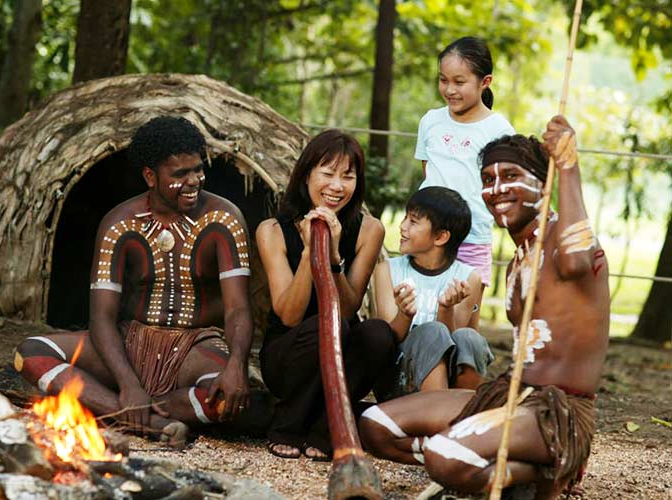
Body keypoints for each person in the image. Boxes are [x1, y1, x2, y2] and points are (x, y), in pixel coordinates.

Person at [359, 116, 609, 498]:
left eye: (510, 175)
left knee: (444, 455)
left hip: (558, 413)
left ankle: (543, 469)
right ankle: (507, 468)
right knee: (376, 424)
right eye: (488, 180)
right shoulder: (516, 261)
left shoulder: (565, 243)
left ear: (544, 185)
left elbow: (577, 261)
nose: (497, 189)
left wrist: (568, 165)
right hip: (510, 396)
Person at [14, 116, 261, 445]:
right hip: (130, 342)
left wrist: (236, 365)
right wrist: (128, 382)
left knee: (237, 401)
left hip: (195, 349)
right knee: (30, 353)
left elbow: (237, 309)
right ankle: (146, 420)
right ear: (150, 176)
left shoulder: (223, 220)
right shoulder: (119, 224)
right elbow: (101, 318)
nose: (194, 181)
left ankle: (128, 409)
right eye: (180, 174)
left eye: (198, 170)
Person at [257, 129, 396, 460]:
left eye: (347, 177)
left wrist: (333, 258)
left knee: (377, 333)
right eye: (328, 173)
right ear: (307, 174)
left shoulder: (369, 229)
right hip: (289, 355)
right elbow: (289, 314)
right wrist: (309, 253)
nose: (337, 186)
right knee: (326, 325)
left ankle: (324, 429)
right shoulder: (272, 231)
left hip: (341, 347)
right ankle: (287, 425)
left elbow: (347, 309)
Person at [415, 36, 516, 327]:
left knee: (462, 328)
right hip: (428, 237)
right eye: (443, 80)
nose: (449, 89)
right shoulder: (430, 122)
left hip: (472, 240)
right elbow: (428, 173)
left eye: (459, 82)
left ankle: (464, 372)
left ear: (485, 81)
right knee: (423, 319)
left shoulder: (499, 130)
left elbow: (501, 188)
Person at [373, 186, 493, 401]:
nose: (402, 226)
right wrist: (405, 314)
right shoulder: (388, 270)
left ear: (440, 237)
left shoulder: (468, 279)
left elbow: (455, 343)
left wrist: (445, 308)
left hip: (447, 381)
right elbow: (388, 341)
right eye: (405, 218)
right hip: (399, 379)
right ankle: (438, 420)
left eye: (413, 221)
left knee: (469, 338)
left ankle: (459, 413)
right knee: (431, 332)